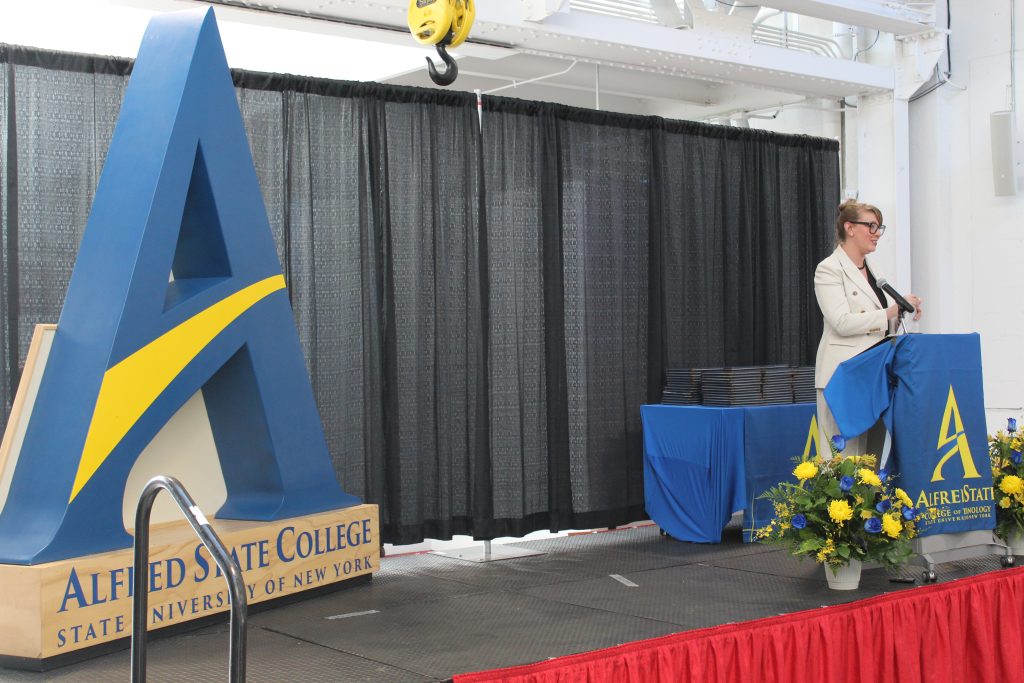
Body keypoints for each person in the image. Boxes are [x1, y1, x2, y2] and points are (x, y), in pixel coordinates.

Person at [814, 199, 922, 458]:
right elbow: (841, 322)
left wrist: (902, 312)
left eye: (879, 227)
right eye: (871, 226)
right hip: (843, 375)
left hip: (873, 375)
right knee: (841, 460)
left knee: (869, 461)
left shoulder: (874, 270)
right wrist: (889, 312)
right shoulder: (829, 269)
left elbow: (880, 325)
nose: (877, 233)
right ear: (849, 228)